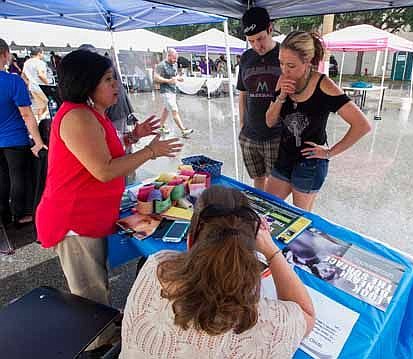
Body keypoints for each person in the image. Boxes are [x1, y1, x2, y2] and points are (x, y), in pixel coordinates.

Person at [35, 49, 183, 350]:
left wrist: (132, 137)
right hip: (74, 219)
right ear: (88, 83)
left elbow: (103, 152)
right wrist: (151, 151)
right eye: (108, 79)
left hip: (89, 214)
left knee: (96, 281)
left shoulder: (91, 114)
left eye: (114, 77)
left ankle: (103, 324)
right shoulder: (77, 116)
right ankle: (99, 343)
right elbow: (103, 169)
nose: (116, 85)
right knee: (89, 289)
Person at [120, 186, 315, 358]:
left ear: (190, 240)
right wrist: (272, 251)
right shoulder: (270, 325)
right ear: (249, 254)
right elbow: (306, 314)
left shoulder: (157, 266)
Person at [265, 31, 371, 211]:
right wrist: (282, 96)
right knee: (267, 207)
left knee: (300, 219)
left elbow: (362, 125)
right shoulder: (282, 80)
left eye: (291, 65)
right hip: (283, 158)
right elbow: (269, 121)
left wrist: (330, 152)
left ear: (307, 62)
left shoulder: (324, 85)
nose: (284, 70)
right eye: (281, 63)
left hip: (310, 163)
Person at [0, 39, 47, 226]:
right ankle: (18, 215)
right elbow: (27, 114)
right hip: (15, 139)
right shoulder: (12, 81)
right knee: (16, 177)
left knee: (1, 178)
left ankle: (4, 216)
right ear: (4, 53)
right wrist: (37, 141)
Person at [237, 7, 282, 190]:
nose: (257, 45)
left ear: (270, 29)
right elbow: (242, 93)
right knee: (257, 180)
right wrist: (242, 124)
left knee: (276, 186)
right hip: (249, 135)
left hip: (276, 136)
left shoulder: (284, 55)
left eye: (260, 38)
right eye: (251, 41)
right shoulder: (246, 58)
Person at [154, 49, 193, 137]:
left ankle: (161, 127)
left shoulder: (174, 65)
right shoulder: (161, 65)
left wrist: (178, 78)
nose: (175, 61)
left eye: (176, 59)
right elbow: (156, 78)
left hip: (172, 91)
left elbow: (174, 77)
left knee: (166, 109)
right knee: (174, 110)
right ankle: (183, 130)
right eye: (174, 58)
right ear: (169, 56)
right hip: (166, 92)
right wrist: (168, 81)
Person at [22, 47, 49, 120]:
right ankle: (41, 120)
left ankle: (40, 121)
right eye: (42, 53)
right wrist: (48, 83)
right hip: (41, 87)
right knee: (46, 104)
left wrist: (28, 83)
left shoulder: (27, 63)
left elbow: (23, 76)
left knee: (41, 105)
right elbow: (40, 74)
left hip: (32, 87)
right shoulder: (40, 62)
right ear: (39, 53)